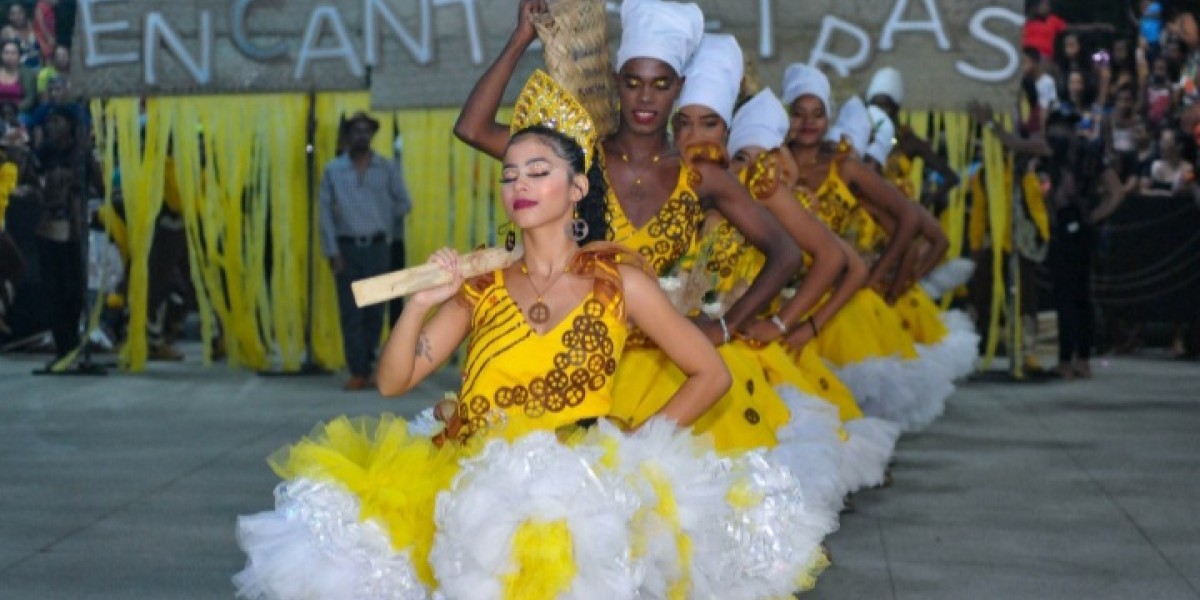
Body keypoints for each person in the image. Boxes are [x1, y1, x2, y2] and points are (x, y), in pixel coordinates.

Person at [236, 71, 831, 599]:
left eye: (538, 171)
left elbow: (712, 373)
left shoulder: (619, 281)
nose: (518, 183)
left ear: (576, 189)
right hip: (464, 488)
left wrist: (639, 446)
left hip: (577, 496)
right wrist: (418, 305)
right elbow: (396, 380)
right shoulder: (482, 281)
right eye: (509, 173)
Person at [453, 0, 802, 436]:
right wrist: (521, 38)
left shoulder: (700, 176)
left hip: (661, 369)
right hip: (575, 358)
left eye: (660, 84)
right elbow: (472, 128)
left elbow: (786, 254)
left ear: (680, 86)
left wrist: (724, 328)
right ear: (617, 82)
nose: (645, 97)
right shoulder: (577, 155)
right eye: (634, 82)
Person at [317, 111, 412, 390]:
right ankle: (357, 370)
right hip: (346, 248)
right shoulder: (334, 170)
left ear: (372, 135)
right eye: (355, 130)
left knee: (375, 312)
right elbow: (324, 213)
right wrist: (331, 251)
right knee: (351, 312)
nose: (361, 135)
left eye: (365, 130)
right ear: (348, 135)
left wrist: (381, 218)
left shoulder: (386, 167)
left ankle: (371, 367)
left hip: (378, 247)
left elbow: (404, 203)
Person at [33, 104, 100, 360]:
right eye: (49, 122)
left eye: (57, 121)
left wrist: (88, 156)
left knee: (74, 289)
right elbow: (31, 180)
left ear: (71, 124)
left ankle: (73, 341)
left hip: (75, 229)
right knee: (54, 289)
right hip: (49, 227)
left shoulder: (81, 153)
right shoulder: (45, 152)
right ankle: (63, 347)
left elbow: (99, 184)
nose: (51, 126)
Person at [0, 39, 36, 116]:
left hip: (20, 112)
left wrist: (14, 110)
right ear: (1, 55)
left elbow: (30, 99)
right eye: (6, 53)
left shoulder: (28, 74)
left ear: (19, 56)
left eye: (13, 53)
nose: (9, 56)